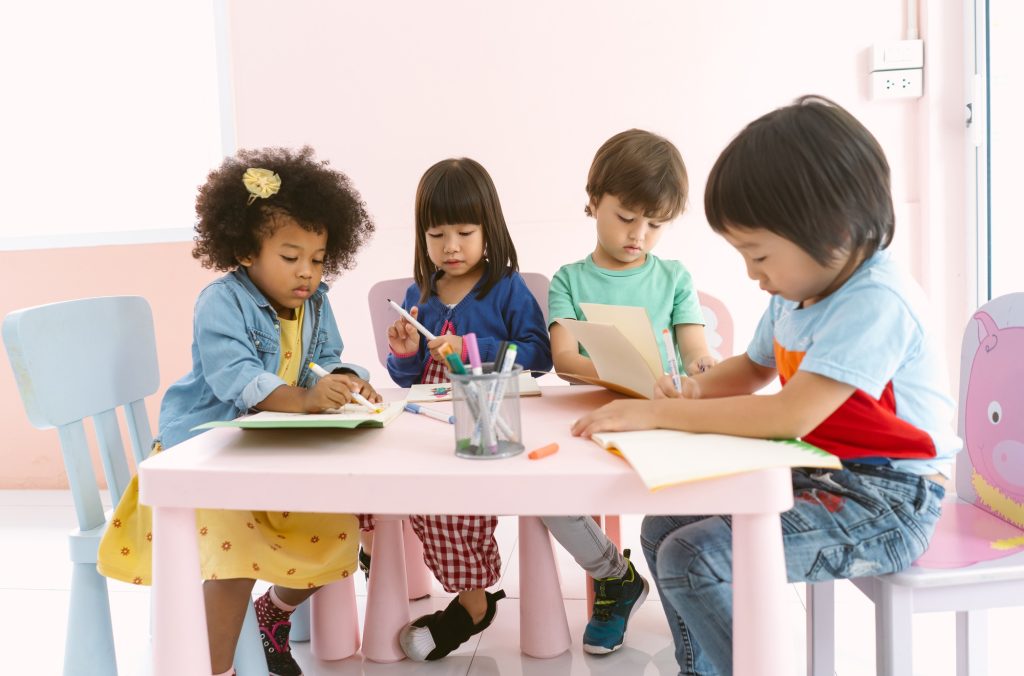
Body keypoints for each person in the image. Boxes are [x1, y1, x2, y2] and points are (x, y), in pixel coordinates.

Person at [572, 96, 961, 674]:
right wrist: (692, 391)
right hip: (821, 469)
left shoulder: (876, 301)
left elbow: (787, 415)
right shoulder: (795, 291)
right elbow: (752, 370)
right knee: (661, 531)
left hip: (892, 499)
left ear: (830, 231)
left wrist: (656, 417)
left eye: (758, 255)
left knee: (694, 559)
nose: (753, 276)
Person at [97, 146, 378, 676]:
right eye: (291, 257)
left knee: (339, 532)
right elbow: (238, 378)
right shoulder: (220, 301)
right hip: (203, 462)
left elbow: (326, 361)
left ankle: (273, 613)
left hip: (267, 459)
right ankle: (215, 668)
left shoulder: (316, 304)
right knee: (234, 561)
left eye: (318, 260)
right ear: (247, 250)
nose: (307, 273)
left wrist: (348, 382)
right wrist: (304, 399)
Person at [366, 157, 551, 661]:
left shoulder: (507, 289)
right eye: (436, 234)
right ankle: (378, 560)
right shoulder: (418, 294)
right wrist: (403, 355)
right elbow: (407, 382)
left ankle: (473, 603)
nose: (450, 246)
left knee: (451, 504)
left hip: (485, 429)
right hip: (425, 427)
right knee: (369, 485)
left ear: (489, 229)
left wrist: (476, 348)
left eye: (465, 232)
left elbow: (538, 355)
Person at [543, 128, 715, 654]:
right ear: (593, 201)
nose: (639, 234)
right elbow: (565, 359)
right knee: (542, 488)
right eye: (626, 217)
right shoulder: (569, 280)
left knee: (703, 501)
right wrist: (611, 371)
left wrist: (704, 368)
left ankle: (696, 599)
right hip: (590, 417)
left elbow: (695, 350)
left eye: (656, 224)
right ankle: (614, 577)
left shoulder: (674, 277)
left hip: (657, 417)